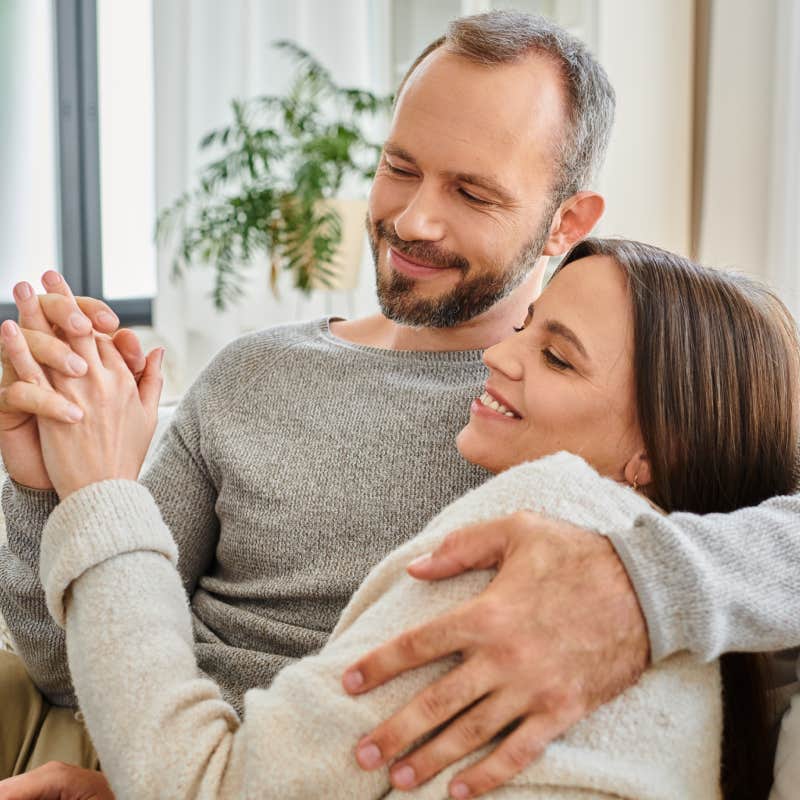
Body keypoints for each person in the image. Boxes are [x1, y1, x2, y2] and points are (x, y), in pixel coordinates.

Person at [1, 9, 800, 799]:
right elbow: (74, 669)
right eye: (400, 167)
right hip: (156, 752)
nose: (412, 220)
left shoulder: (599, 423)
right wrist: (49, 487)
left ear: (568, 222)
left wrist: (644, 585)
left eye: (474, 194)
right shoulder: (253, 374)